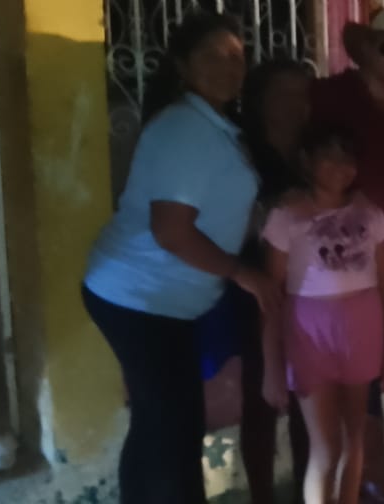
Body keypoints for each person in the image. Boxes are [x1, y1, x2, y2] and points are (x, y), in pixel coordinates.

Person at [81, 13, 279, 504]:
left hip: (159, 302)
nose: (228, 67)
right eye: (213, 56)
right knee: (173, 435)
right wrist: (243, 273)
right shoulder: (185, 128)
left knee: (159, 426)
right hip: (140, 297)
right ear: (183, 65)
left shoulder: (215, 126)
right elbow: (171, 231)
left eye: (236, 57)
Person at [308, 9, 384, 502]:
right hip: (342, 241)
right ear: (363, 49)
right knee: (353, 356)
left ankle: (370, 465)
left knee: (375, 349)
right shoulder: (330, 96)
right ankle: (369, 467)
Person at [259, 130, 384, 504]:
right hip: (309, 334)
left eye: (347, 158)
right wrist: (271, 366)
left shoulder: (370, 214)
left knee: (354, 439)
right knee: (326, 447)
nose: (340, 167)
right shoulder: (286, 215)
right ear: (307, 161)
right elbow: (271, 295)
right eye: (329, 157)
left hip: (362, 331)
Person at [236, 58, 313, 504]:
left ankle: (307, 490)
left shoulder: (314, 153)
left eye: (302, 94)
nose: (293, 104)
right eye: (282, 93)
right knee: (261, 394)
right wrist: (278, 209)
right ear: (260, 100)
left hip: (311, 287)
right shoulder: (241, 152)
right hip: (256, 284)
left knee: (308, 394)